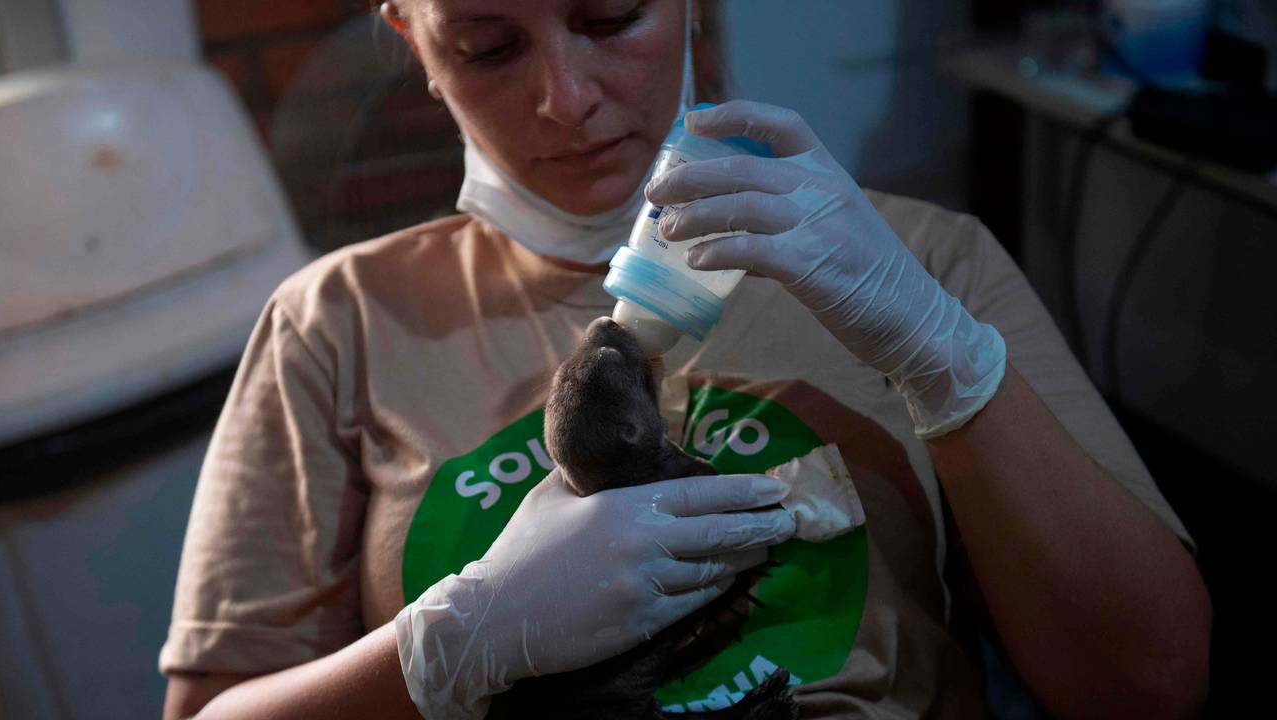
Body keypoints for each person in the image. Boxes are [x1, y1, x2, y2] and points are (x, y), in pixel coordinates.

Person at [160, 1, 1211, 718]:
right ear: (413, 38)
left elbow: (1150, 686)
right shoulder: (335, 320)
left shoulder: (921, 262)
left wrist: (940, 355)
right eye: (487, 46)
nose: (564, 98)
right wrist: (448, 646)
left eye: (611, 16)